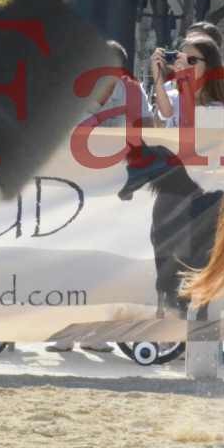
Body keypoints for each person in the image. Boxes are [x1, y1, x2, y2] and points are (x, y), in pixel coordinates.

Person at [50, 39, 152, 355]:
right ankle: (66, 333)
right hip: (77, 190)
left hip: (117, 189)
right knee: (71, 261)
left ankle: (98, 334)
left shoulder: (134, 93)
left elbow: (150, 131)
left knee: (107, 264)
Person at [149, 33, 224, 127]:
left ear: (209, 66)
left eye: (191, 60)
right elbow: (166, 113)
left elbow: (194, 131)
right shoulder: (174, 95)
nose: (185, 64)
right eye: (182, 58)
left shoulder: (218, 106)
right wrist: (157, 72)